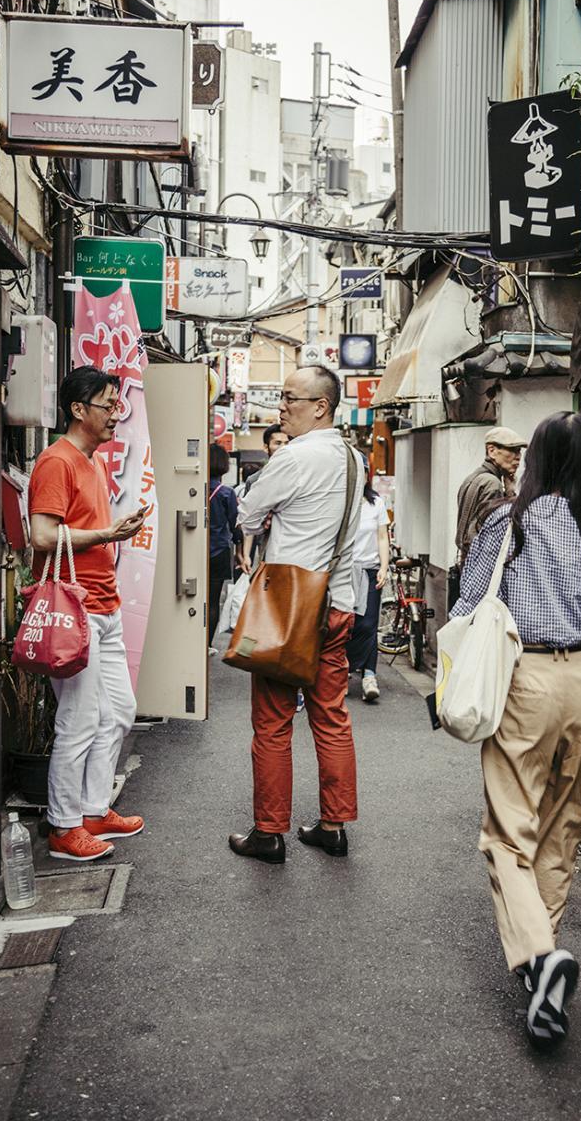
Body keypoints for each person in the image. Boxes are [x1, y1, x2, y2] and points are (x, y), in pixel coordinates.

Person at [450, 411, 581, 1051]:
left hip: (527, 679)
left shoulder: (509, 522)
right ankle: (541, 975)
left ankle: (541, 960)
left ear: (538, 460)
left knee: (506, 834)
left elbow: (469, 606)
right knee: (562, 825)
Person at [229, 365, 364, 864]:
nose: (281, 406)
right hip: (338, 604)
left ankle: (268, 833)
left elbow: (246, 513)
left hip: (289, 608)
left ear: (320, 407)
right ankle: (333, 826)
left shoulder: (292, 458)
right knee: (331, 718)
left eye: (290, 398)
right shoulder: (355, 459)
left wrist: (272, 519)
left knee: (272, 722)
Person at [29, 367, 147, 863]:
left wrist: (113, 532)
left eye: (119, 405)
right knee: (78, 720)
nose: (117, 415)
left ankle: (95, 809)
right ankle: (63, 825)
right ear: (79, 410)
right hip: (72, 610)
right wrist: (106, 536)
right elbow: (40, 535)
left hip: (105, 605)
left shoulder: (91, 462)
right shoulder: (57, 461)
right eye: (108, 405)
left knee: (118, 711)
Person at [345, 459, 389, 703]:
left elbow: (382, 537)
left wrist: (383, 566)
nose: (357, 476)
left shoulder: (376, 503)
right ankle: (345, 670)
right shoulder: (338, 502)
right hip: (343, 572)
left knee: (368, 623)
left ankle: (369, 675)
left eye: (361, 471)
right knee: (345, 624)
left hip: (370, 570)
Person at [455, 426, 527, 565]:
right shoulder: (492, 484)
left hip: (465, 563)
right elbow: (490, 534)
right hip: (478, 564)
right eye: (512, 450)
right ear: (492, 451)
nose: (518, 457)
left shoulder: (473, 478)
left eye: (519, 451)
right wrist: (511, 494)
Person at [236, 423, 290, 574]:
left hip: (293, 548)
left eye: (287, 443)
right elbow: (248, 519)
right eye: (278, 443)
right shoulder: (255, 481)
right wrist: (246, 555)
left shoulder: (299, 476)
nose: (283, 447)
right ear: (266, 447)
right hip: (266, 549)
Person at [208, 443, 238, 649]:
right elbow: (236, 524)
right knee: (213, 601)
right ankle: (207, 644)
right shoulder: (227, 493)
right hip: (219, 551)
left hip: (195, 551)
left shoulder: (196, 489)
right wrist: (241, 551)